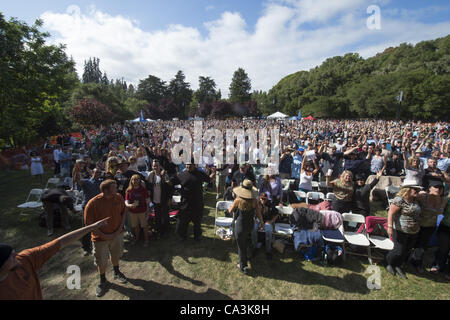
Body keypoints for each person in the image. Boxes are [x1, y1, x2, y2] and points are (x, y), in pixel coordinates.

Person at [0, 218, 109, 300]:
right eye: (10, 256)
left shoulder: (24, 259)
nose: (15, 255)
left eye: (13, 252)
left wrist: (93, 226)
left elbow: (61, 242)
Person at [84, 179, 128, 297]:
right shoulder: (93, 203)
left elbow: (123, 212)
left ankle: (116, 272)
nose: (117, 189)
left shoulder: (118, 197)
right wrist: (105, 235)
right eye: (114, 187)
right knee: (101, 260)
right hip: (100, 239)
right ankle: (103, 281)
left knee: (116, 254)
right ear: (106, 190)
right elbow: (89, 224)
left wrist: (119, 229)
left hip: (117, 234)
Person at [385, 179, 423, 279]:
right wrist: (390, 227)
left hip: (414, 231)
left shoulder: (416, 200)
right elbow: (391, 213)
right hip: (401, 229)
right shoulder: (399, 200)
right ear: (408, 189)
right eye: (415, 189)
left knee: (407, 250)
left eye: (417, 189)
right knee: (398, 250)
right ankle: (389, 263)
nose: (417, 191)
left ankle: (398, 265)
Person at [169, 162, 214, 241]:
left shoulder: (200, 173)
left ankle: (197, 236)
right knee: (183, 221)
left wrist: (213, 173)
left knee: (197, 221)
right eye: (187, 164)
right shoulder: (182, 174)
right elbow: (171, 182)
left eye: (190, 164)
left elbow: (209, 179)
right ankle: (182, 236)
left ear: (194, 165)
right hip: (185, 203)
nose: (188, 166)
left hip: (197, 202)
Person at [228, 179, 264, 274]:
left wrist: (230, 207)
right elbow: (259, 213)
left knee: (241, 246)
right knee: (244, 243)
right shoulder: (255, 201)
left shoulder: (238, 200)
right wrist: (262, 223)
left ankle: (242, 265)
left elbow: (230, 211)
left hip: (240, 226)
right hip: (249, 225)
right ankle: (244, 260)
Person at [411, 180, 447, 273]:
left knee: (422, 245)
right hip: (417, 224)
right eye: (435, 187)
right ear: (429, 188)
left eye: (440, 188)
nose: (438, 189)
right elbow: (409, 198)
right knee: (411, 243)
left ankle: (417, 263)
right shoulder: (423, 197)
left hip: (430, 226)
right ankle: (402, 260)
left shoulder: (444, 201)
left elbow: (444, 212)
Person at [73, 167, 103, 256]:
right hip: (87, 207)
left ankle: (98, 245)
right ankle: (85, 247)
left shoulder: (101, 182)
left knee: (98, 226)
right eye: (96, 172)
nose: (98, 173)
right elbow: (78, 180)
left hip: (98, 207)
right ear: (92, 173)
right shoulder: (86, 181)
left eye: (100, 172)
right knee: (86, 228)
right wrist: (75, 170)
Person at [147, 160, 172, 238]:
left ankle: (166, 230)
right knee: (157, 216)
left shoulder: (164, 175)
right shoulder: (151, 175)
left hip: (164, 199)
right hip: (155, 199)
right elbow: (149, 187)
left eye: (157, 166)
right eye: (154, 166)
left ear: (160, 166)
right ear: (152, 166)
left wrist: (169, 199)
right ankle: (158, 230)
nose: (156, 167)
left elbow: (170, 188)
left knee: (165, 216)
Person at [125, 174, 150, 247]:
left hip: (142, 211)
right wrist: (129, 205)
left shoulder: (143, 189)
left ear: (139, 180)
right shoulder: (129, 190)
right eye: (133, 179)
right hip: (133, 212)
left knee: (144, 226)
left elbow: (147, 201)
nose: (135, 181)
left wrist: (148, 211)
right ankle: (137, 239)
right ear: (131, 181)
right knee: (135, 227)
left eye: (137, 179)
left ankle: (146, 240)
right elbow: (126, 200)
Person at [251, 193, 278, 260]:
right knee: (253, 229)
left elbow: (276, 214)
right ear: (260, 198)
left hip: (267, 221)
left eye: (264, 199)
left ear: (267, 199)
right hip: (258, 220)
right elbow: (252, 212)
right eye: (262, 198)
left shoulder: (270, 204)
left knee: (268, 231)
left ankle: (268, 250)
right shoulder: (257, 203)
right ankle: (255, 247)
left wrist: (271, 221)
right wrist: (254, 219)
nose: (263, 200)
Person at [430, 194, 450, 280]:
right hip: (446, 226)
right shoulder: (448, 199)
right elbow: (441, 211)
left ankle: (449, 271)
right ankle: (438, 265)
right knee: (443, 248)